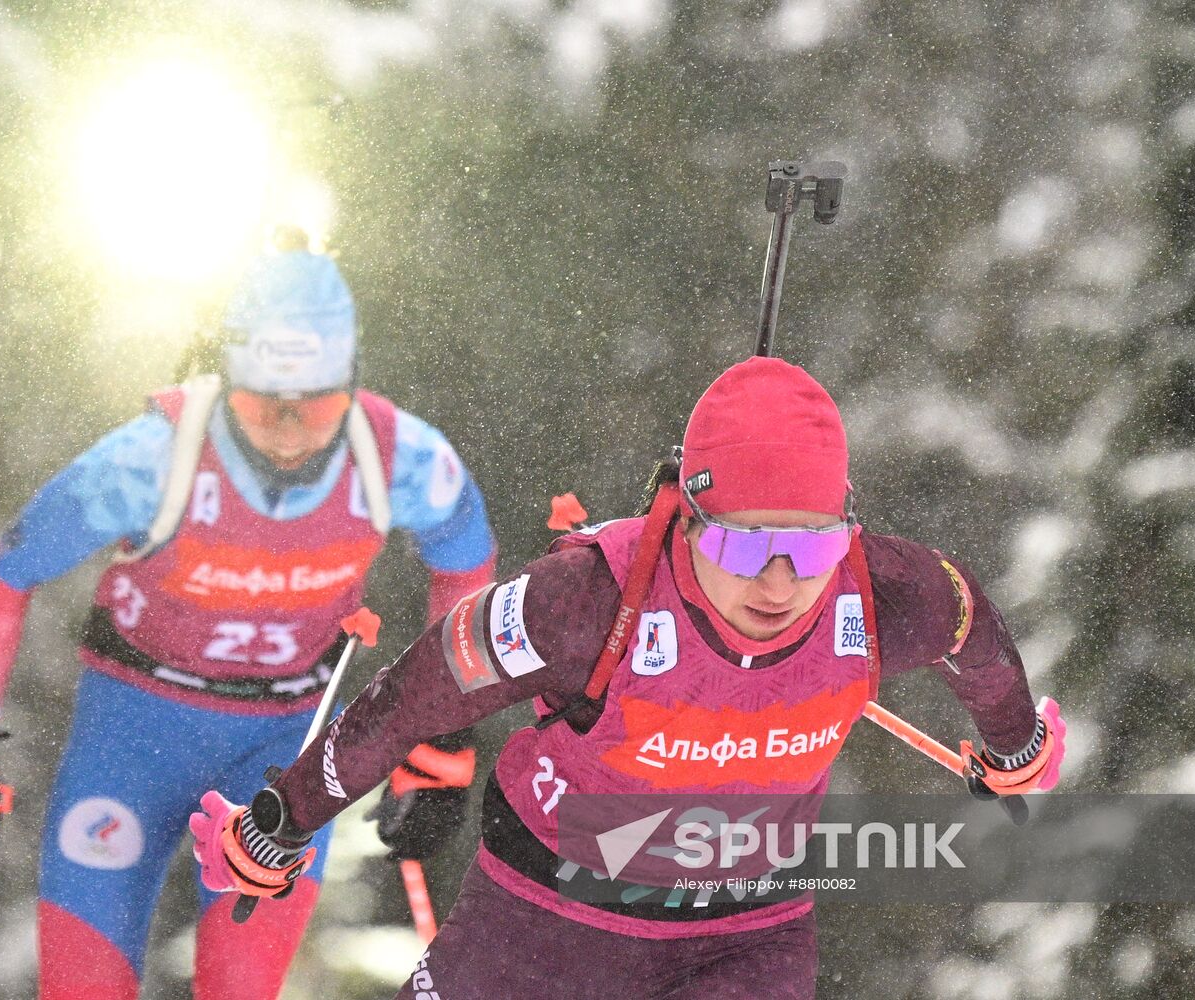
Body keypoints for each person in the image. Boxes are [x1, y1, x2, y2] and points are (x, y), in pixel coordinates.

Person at [190, 356, 1067, 999]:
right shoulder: (582, 602)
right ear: (688, 520)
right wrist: (278, 822)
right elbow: (412, 696)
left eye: (810, 546)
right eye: (744, 543)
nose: (780, 582)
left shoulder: (886, 591)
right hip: (541, 920)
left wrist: (1015, 746)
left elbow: (976, 638)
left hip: (744, 935)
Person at [0, 234, 497, 1000]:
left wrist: (440, 743)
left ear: (349, 386)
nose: (289, 434)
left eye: (315, 408)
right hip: (127, 740)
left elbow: (466, 566)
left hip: (284, 748)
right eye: (263, 407)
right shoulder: (149, 459)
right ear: (228, 382)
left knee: (240, 990)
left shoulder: (404, 458)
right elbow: (8, 569)